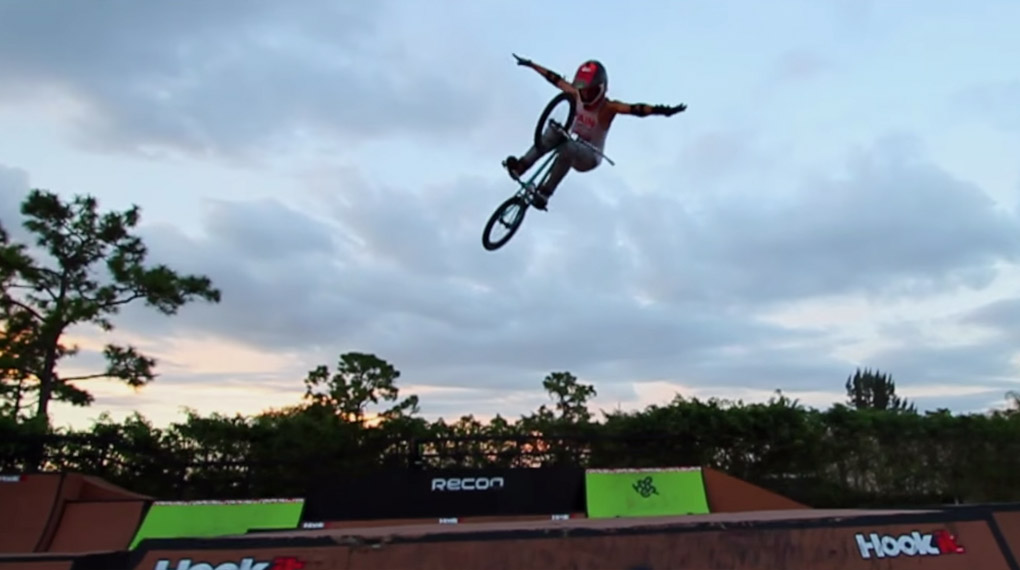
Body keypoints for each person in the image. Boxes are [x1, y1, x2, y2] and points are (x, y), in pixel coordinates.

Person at [503, 54, 687, 210]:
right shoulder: (576, 94)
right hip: (572, 141)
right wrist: (531, 64)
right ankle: (521, 166)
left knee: (568, 148)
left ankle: (545, 193)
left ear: (601, 89)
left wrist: (663, 110)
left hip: (590, 156)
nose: (585, 96)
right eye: (583, 91)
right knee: (553, 131)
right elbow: (555, 79)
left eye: (590, 93)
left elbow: (636, 109)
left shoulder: (608, 108)